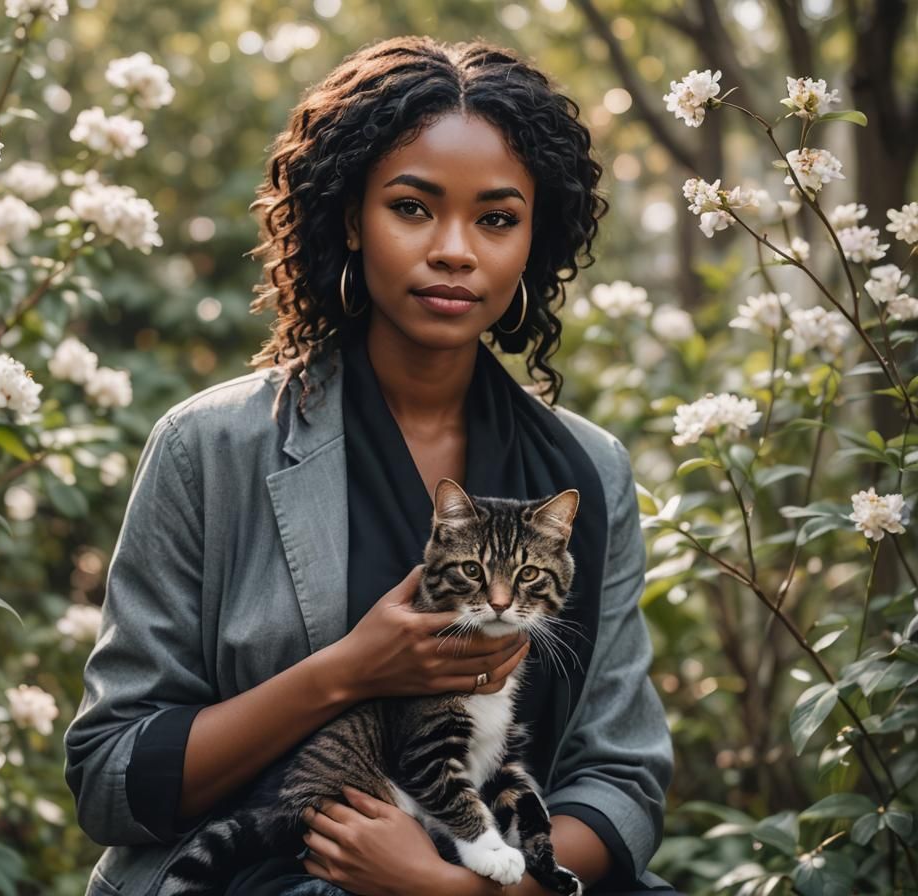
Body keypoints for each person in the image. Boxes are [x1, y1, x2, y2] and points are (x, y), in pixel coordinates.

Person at [65, 36, 674, 896]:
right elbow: (110, 776)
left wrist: (453, 891)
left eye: (497, 218)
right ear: (352, 217)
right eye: (413, 208)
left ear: (534, 239)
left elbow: (622, 775)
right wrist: (348, 671)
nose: (455, 250)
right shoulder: (208, 448)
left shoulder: (589, 468)